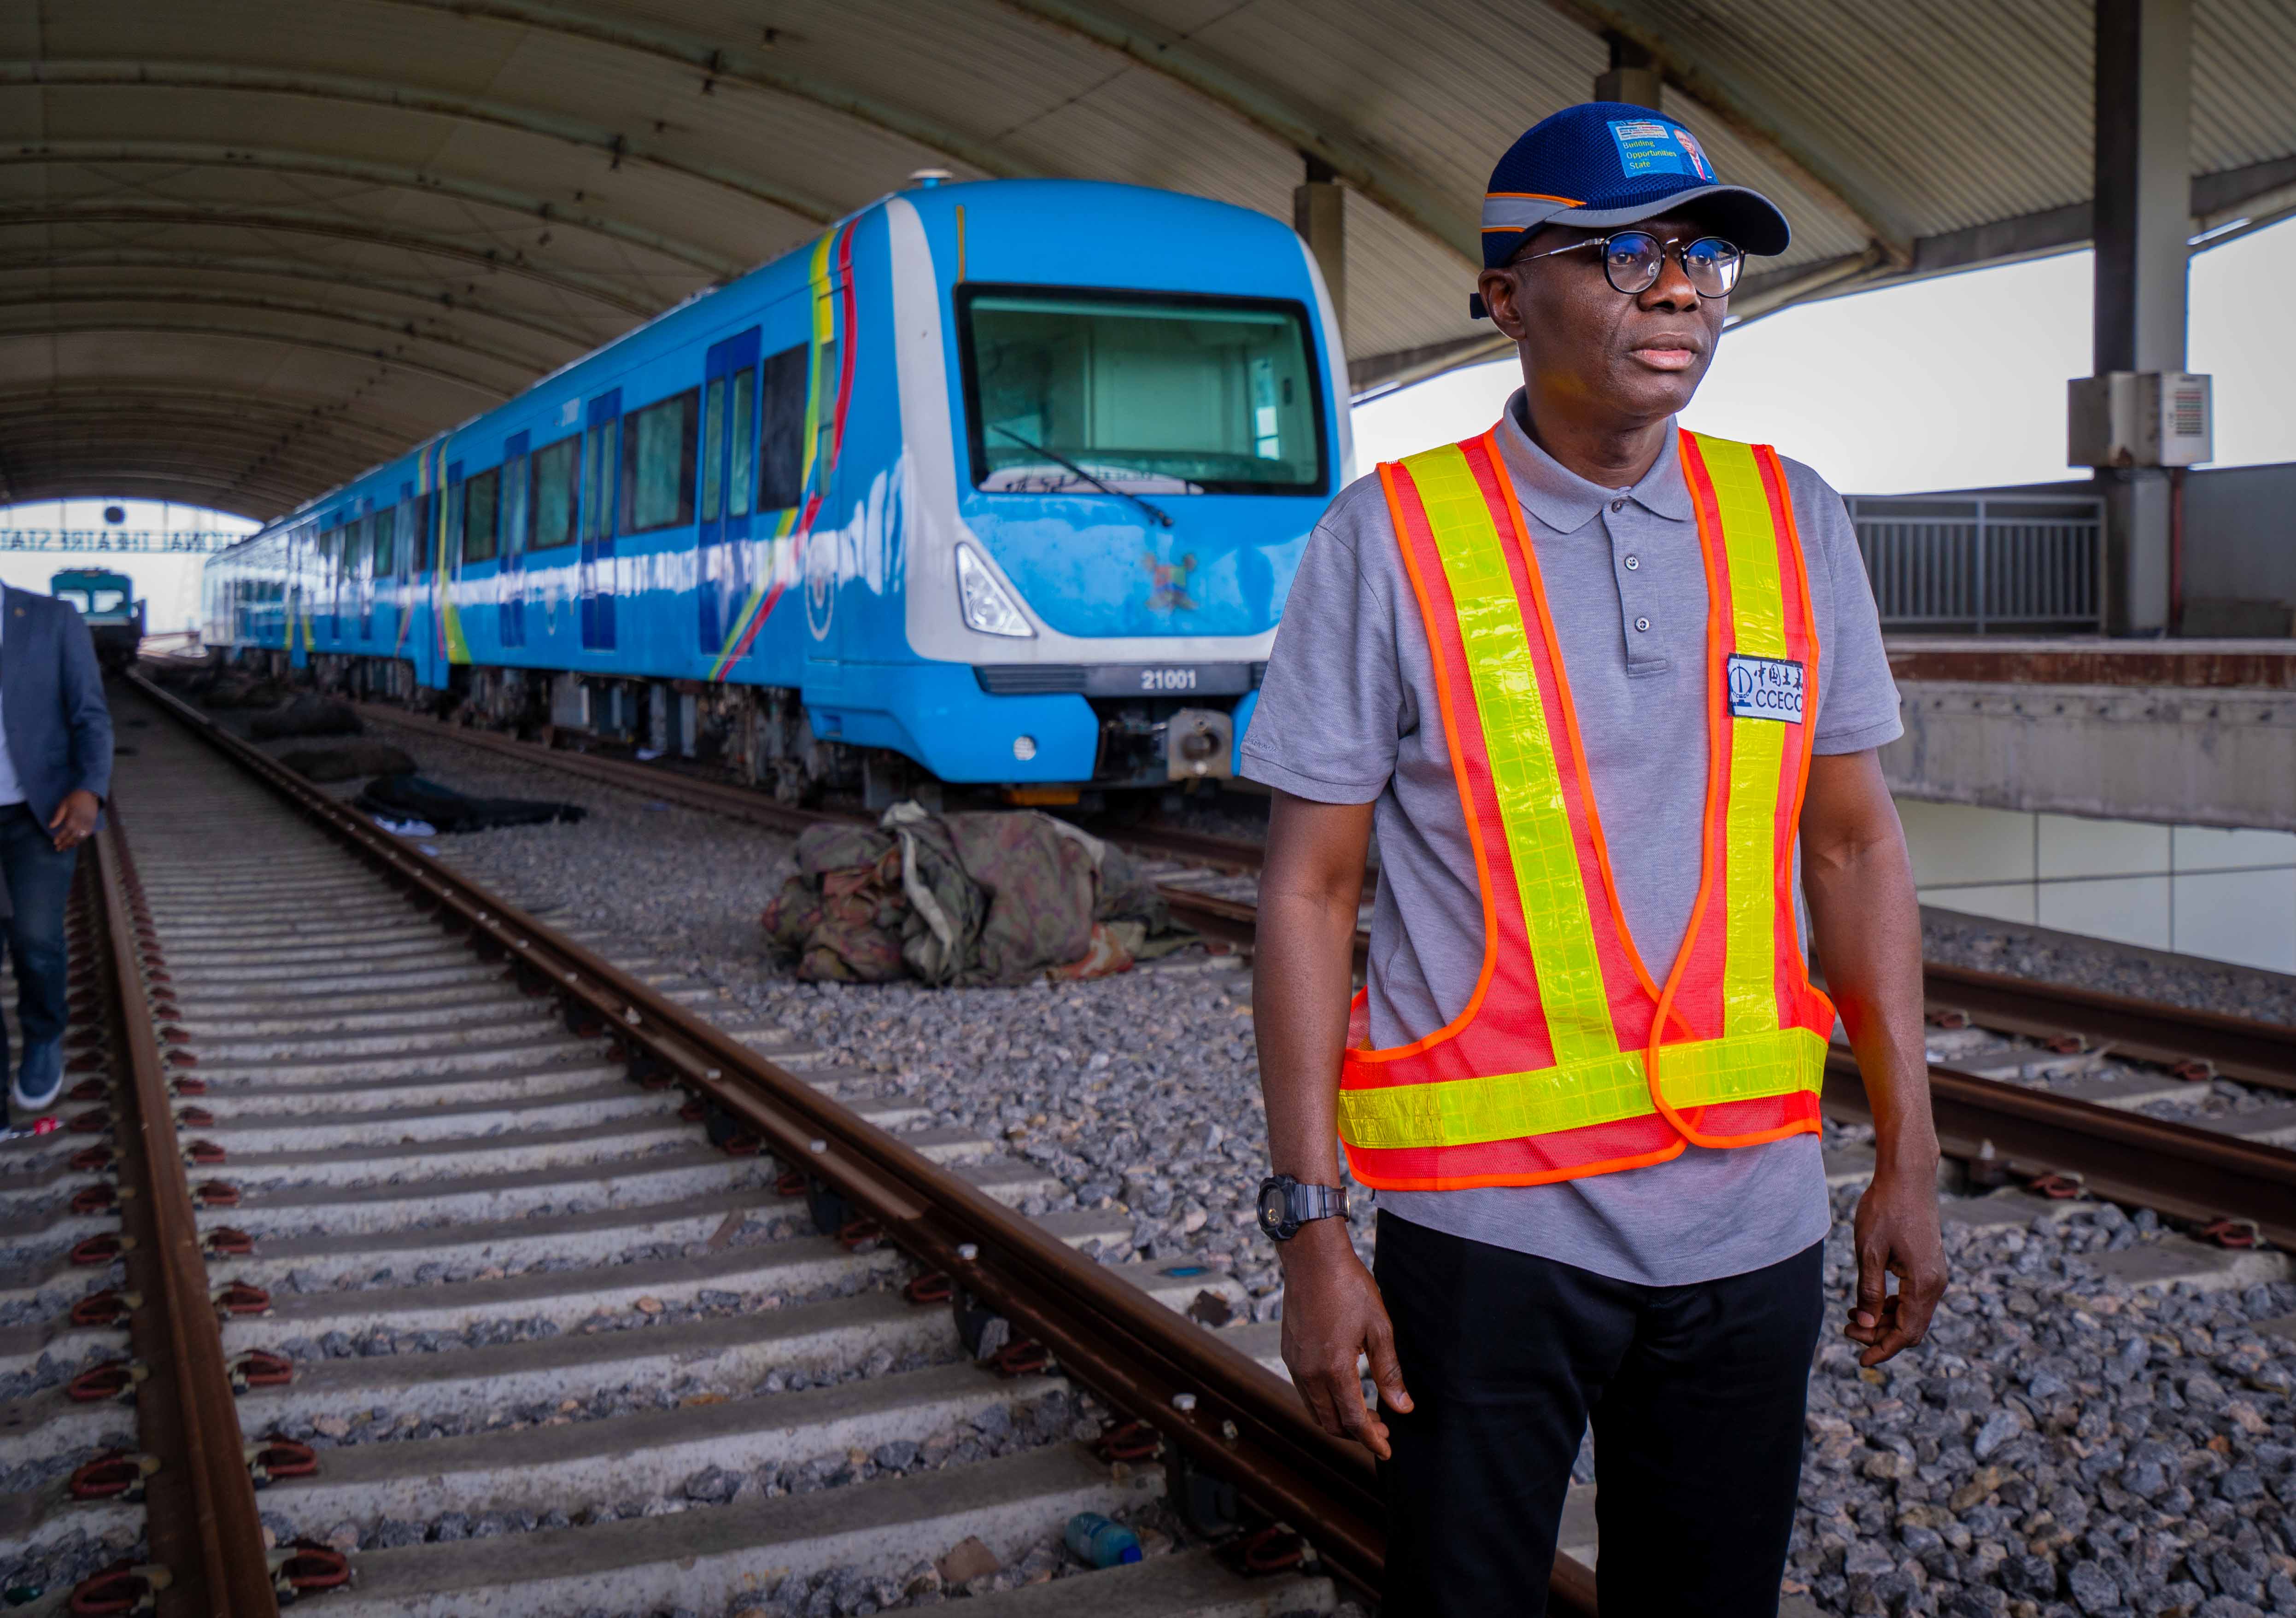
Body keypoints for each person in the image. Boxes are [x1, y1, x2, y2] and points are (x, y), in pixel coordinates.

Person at [1244, 103, 1947, 1617]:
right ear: (1503, 293)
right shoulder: (1390, 541)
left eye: (1698, 254)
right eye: (1620, 250)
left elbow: (1851, 845)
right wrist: (1311, 1229)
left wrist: (1906, 1151)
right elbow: (1305, 891)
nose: (1677, 286)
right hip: (1486, 1246)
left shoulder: (1791, 522)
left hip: (1754, 1234)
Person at [0, 583, 113, 1132]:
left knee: (36, 939)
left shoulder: (51, 618)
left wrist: (90, 788)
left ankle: (44, 1036)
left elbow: (90, 713)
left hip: (37, 811)